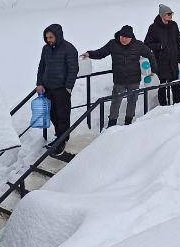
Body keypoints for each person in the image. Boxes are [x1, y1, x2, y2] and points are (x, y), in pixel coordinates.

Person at [84, 25, 154, 128]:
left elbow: (150, 54)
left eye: (126, 37)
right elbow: (101, 53)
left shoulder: (138, 45)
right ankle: (111, 124)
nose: (124, 39)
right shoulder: (113, 44)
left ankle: (128, 123)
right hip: (119, 80)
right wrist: (89, 54)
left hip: (134, 80)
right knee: (116, 101)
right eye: (122, 37)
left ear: (131, 37)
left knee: (132, 101)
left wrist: (154, 70)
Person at [35, 24, 78, 156]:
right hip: (48, 87)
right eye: (46, 37)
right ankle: (59, 136)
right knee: (53, 113)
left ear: (58, 35)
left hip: (62, 89)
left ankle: (62, 141)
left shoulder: (69, 49)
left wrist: (69, 86)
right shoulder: (45, 49)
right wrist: (39, 83)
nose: (48, 40)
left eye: (51, 37)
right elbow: (41, 66)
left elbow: (73, 69)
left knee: (63, 115)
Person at [144, 4, 180, 107]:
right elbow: (147, 44)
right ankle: (163, 107)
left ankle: (177, 105)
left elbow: (178, 42)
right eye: (169, 14)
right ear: (162, 15)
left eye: (172, 13)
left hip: (173, 61)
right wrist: (160, 46)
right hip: (161, 62)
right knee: (162, 86)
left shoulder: (174, 25)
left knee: (175, 84)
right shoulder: (153, 28)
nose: (171, 16)